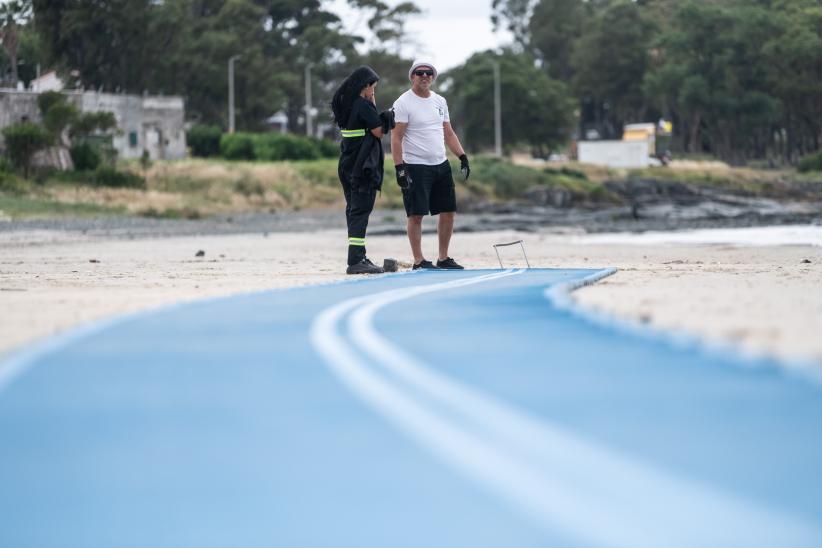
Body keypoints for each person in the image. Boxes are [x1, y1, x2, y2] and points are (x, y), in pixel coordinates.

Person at [391, 60, 470, 270]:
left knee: (448, 211)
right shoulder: (403, 102)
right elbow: (396, 138)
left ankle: (443, 258)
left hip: (440, 164)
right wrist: (399, 167)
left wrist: (462, 156)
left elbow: (448, 132)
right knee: (416, 214)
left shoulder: (440, 101)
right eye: (420, 73)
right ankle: (419, 260)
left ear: (433, 77)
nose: (425, 76)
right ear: (412, 76)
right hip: (415, 166)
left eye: (429, 73)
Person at [331, 66, 395, 275]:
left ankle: (359, 255)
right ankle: (356, 260)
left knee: (353, 210)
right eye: (373, 88)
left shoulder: (346, 105)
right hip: (363, 168)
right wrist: (385, 114)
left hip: (347, 165)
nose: (373, 92)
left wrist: (371, 100)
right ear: (365, 86)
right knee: (361, 211)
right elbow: (378, 131)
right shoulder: (363, 106)